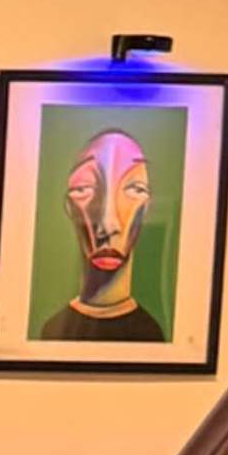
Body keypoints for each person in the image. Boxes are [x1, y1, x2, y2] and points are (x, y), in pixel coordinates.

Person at [46, 127, 168, 341]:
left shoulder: (152, 334)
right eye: (84, 188)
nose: (108, 225)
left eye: (136, 189)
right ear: (69, 208)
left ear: (147, 208)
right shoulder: (51, 332)